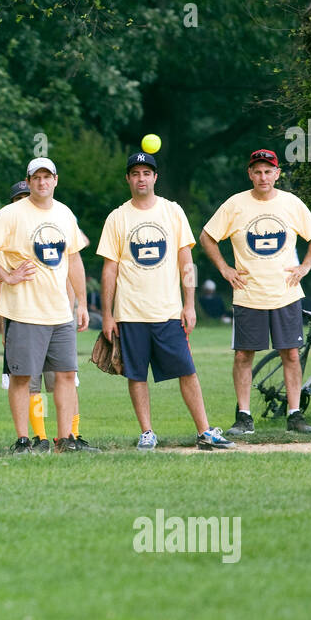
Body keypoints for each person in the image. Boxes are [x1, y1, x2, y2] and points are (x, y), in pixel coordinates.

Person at [100, 151, 235, 451]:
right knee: (136, 374)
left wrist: (189, 303)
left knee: (187, 370)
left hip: (168, 312)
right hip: (130, 312)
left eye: (146, 173)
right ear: (128, 179)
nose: (141, 178)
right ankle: (147, 432)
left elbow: (186, 261)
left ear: (155, 177)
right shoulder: (117, 217)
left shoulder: (172, 212)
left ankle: (204, 431)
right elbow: (109, 269)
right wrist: (107, 315)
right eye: (135, 173)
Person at [0, 158, 92, 453]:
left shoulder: (64, 214)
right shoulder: (11, 214)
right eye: (36, 177)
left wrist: (83, 303)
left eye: (47, 177)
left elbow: (73, 258)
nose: (42, 182)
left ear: (55, 181)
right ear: (29, 180)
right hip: (24, 311)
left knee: (65, 375)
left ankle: (65, 440)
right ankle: (24, 440)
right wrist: (6, 276)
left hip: (60, 311)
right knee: (22, 377)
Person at [199, 148, 311, 435]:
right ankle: (244, 417)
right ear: (250, 174)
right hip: (248, 293)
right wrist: (224, 268)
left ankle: (295, 415)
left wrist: (305, 266)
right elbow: (207, 236)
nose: (263, 176)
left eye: (268, 171)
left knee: (291, 354)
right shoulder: (235, 204)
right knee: (243, 355)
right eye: (257, 171)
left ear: (277, 174)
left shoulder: (291, 204)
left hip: (286, 293)